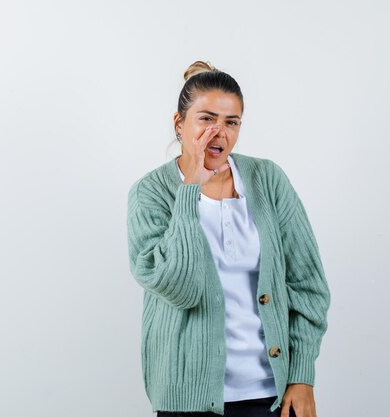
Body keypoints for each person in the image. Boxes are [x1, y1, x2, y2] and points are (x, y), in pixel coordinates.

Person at [126, 60, 331, 417]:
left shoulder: (267, 179)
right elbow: (179, 287)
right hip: (186, 398)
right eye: (206, 119)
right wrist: (191, 189)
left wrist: (301, 377)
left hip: (271, 394)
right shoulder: (151, 193)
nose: (219, 132)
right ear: (180, 124)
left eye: (231, 122)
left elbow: (308, 285)